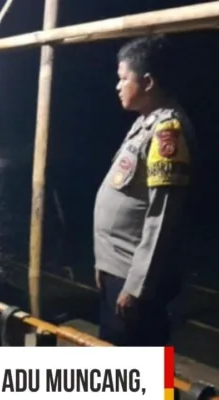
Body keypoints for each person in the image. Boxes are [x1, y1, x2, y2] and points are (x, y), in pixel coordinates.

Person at [93, 35, 196, 346]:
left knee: (140, 354)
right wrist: (103, 263)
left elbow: (161, 218)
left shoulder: (167, 131)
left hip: (134, 276)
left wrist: (136, 285)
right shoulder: (144, 123)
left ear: (148, 82)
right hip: (117, 267)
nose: (118, 86)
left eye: (124, 78)